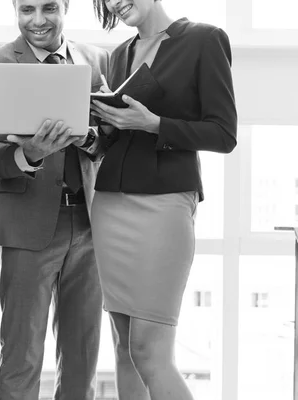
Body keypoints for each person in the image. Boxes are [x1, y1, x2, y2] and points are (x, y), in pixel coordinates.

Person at [90, 1, 237, 399]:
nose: (116, 4)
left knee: (148, 351)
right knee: (123, 349)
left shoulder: (204, 40)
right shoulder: (119, 54)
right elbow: (113, 138)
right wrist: (96, 128)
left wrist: (154, 124)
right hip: (110, 203)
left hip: (164, 204)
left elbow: (223, 134)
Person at [0, 1, 109, 399]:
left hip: (88, 225)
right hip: (26, 228)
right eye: (27, 9)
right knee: (22, 354)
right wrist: (29, 153)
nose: (38, 21)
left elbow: (109, 141)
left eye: (49, 8)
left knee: (82, 356)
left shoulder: (95, 59)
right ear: (15, 10)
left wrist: (87, 137)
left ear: (65, 7)